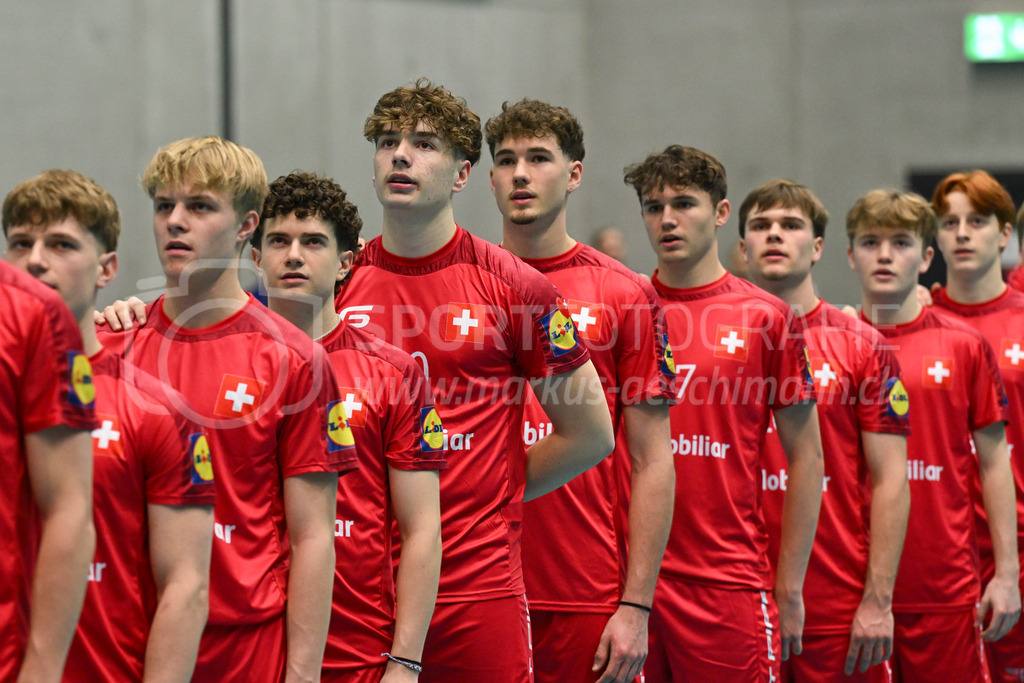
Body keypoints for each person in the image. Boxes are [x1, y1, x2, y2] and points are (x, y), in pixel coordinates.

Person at [335, 79, 615, 682]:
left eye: (425, 144)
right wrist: (126, 317)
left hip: (476, 587)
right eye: (387, 142)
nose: (401, 155)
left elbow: (591, 433)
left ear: (463, 174)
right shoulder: (337, 282)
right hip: (357, 592)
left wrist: (494, 498)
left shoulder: (516, 287)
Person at [97, 136, 352, 681]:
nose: (175, 222)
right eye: (165, 206)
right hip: (124, 641)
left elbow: (313, 536)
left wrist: (302, 674)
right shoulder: (112, 343)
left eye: (200, 206)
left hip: (242, 647)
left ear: (245, 226)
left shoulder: (295, 360)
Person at [483, 99, 675, 683]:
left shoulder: (625, 292)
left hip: (584, 593)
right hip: (474, 586)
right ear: (487, 175)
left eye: (539, 158)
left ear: (574, 174)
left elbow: (652, 460)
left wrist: (636, 605)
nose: (520, 173)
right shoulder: (461, 283)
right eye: (507, 159)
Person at [3, 169, 216, 681]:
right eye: (20, 243)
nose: (36, 260)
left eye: (60, 244)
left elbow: (185, 587)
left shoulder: (158, 411)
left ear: (107, 269)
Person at [623, 145, 824, 682]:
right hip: (626, 585)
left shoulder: (767, 317)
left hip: (726, 580)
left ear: (719, 212)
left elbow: (807, 460)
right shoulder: (623, 309)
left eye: (683, 203)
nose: (666, 218)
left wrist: (790, 585)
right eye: (652, 205)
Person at [251, 170, 444, 682]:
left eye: (313, 242)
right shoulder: (226, 361)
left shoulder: (395, 373)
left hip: (357, 652)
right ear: (255, 258)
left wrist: (404, 663)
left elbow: (422, 531)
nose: (293, 255)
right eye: (278, 241)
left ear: (345, 261)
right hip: (250, 647)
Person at [739, 179, 911, 681]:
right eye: (761, 226)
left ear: (816, 248)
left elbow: (892, 482)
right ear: (742, 244)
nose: (775, 235)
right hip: (732, 593)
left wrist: (878, 601)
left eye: (791, 225)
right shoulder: (704, 339)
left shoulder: (863, 345)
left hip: (835, 602)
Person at [846, 188, 1019, 682]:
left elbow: (993, 462)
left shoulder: (965, 345)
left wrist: (1006, 575)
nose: (884, 254)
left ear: (926, 258)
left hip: (944, 585)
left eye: (900, 243)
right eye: (870, 241)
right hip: (847, 588)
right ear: (849, 256)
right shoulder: (828, 344)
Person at [928, 170, 1024, 682]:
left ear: (1005, 233)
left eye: (978, 221)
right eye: (949, 222)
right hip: (938, 557)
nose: (962, 233)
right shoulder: (907, 323)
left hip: (1019, 550)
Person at [0, 228, 95, 682]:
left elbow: (70, 509)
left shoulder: (30, 313)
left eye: (62, 244)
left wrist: (40, 667)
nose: (39, 261)